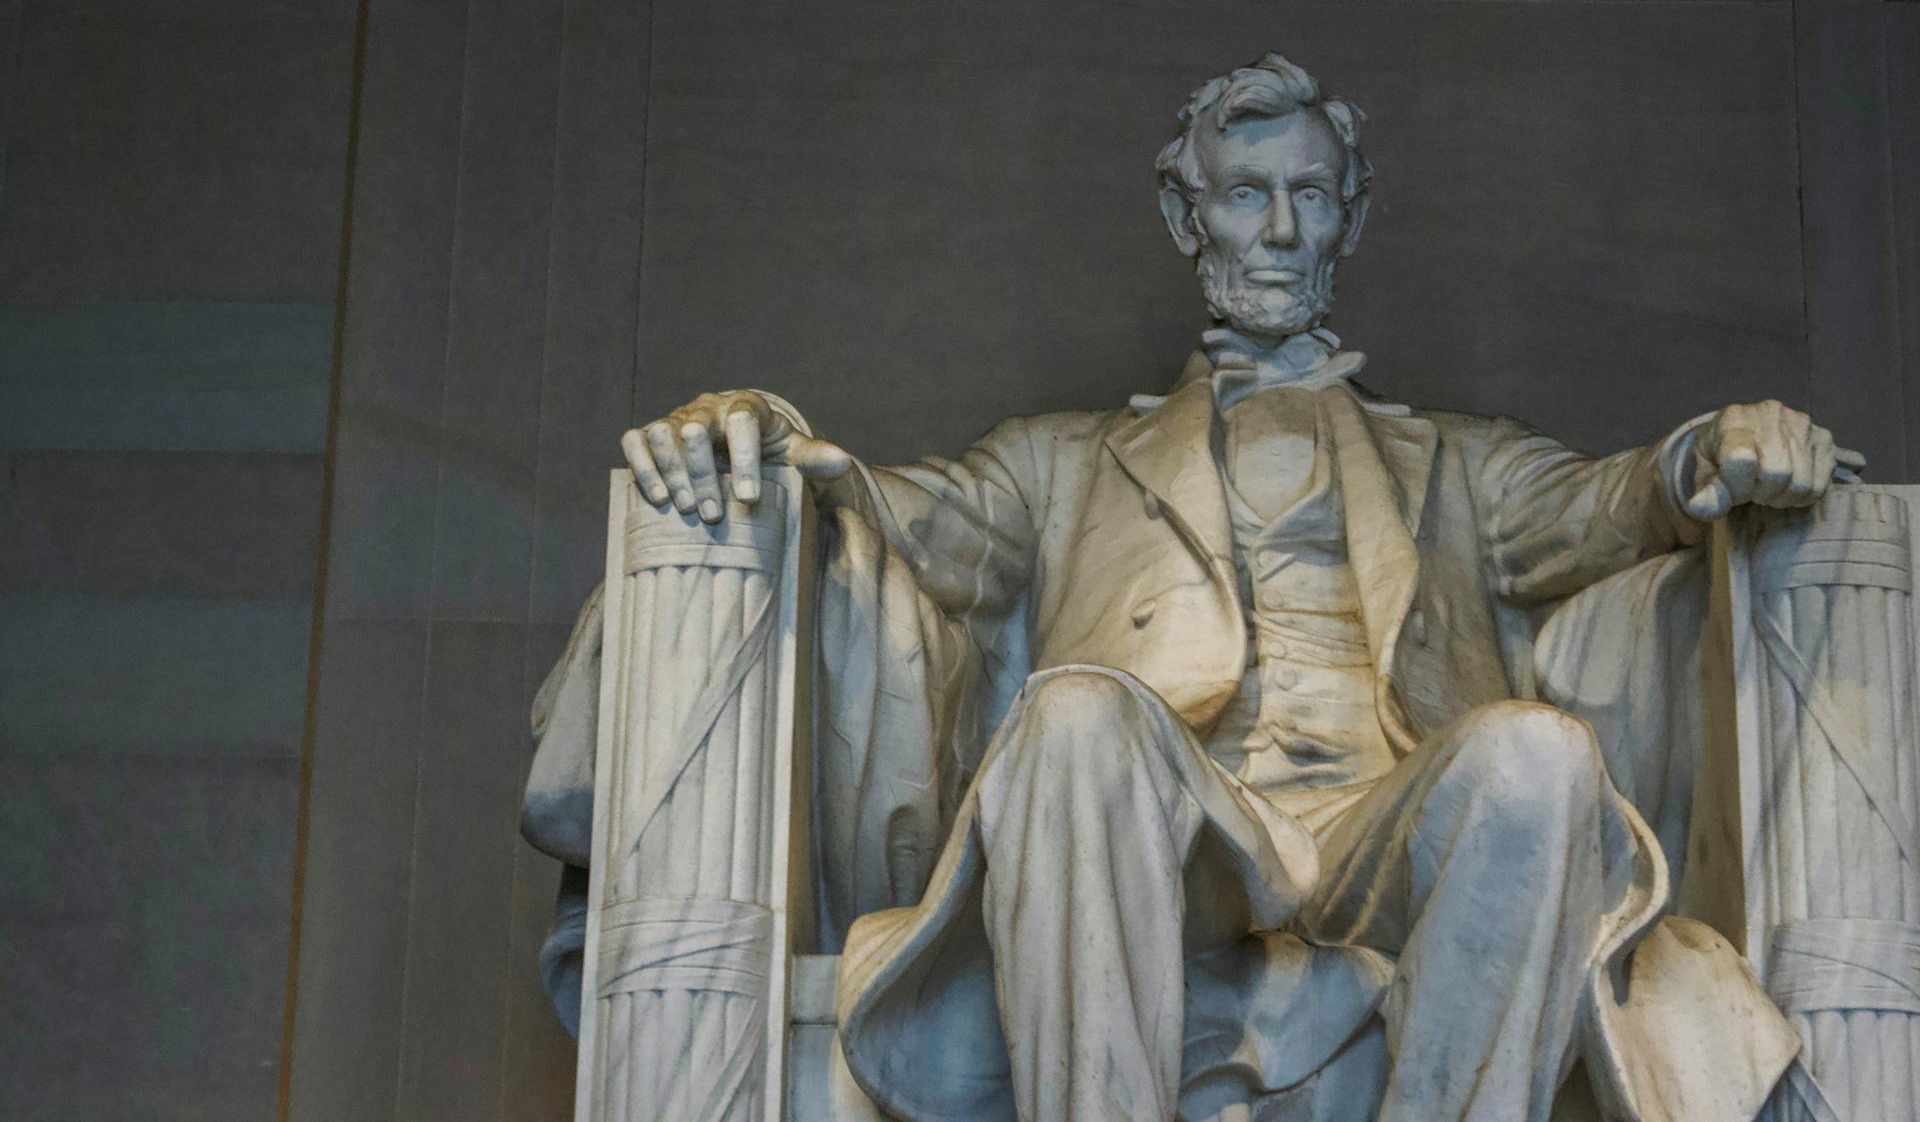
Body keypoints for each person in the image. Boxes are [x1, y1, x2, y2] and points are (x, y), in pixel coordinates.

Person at [611, 54, 1857, 1121]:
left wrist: (1713, 450)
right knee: (1077, 712)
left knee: (1537, 757)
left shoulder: (1463, 464)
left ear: (1350, 218)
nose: (1276, 229)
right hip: (1177, 835)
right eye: (1246, 195)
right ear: (1186, 217)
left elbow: (1611, 501)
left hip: (1386, 827)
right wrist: (761, 433)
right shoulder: (1059, 461)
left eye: (1308, 196)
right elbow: (898, 510)